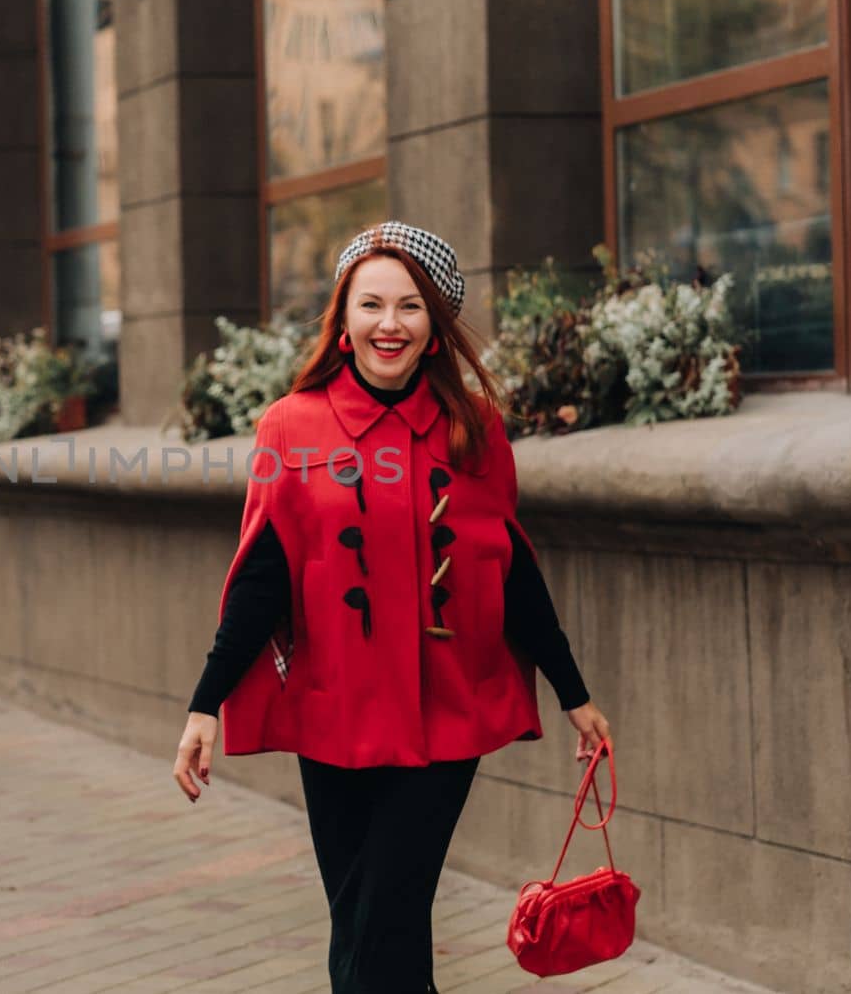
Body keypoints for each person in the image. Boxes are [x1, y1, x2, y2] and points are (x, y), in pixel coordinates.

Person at [171, 221, 611, 994]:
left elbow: (509, 571)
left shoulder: (473, 427)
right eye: (371, 304)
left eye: (410, 307)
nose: (389, 324)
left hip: (447, 713)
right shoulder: (291, 426)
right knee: (364, 929)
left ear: (434, 327)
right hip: (331, 712)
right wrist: (205, 704)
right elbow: (263, 576)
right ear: (343, 319)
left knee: (384, 919)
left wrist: (573, 691)